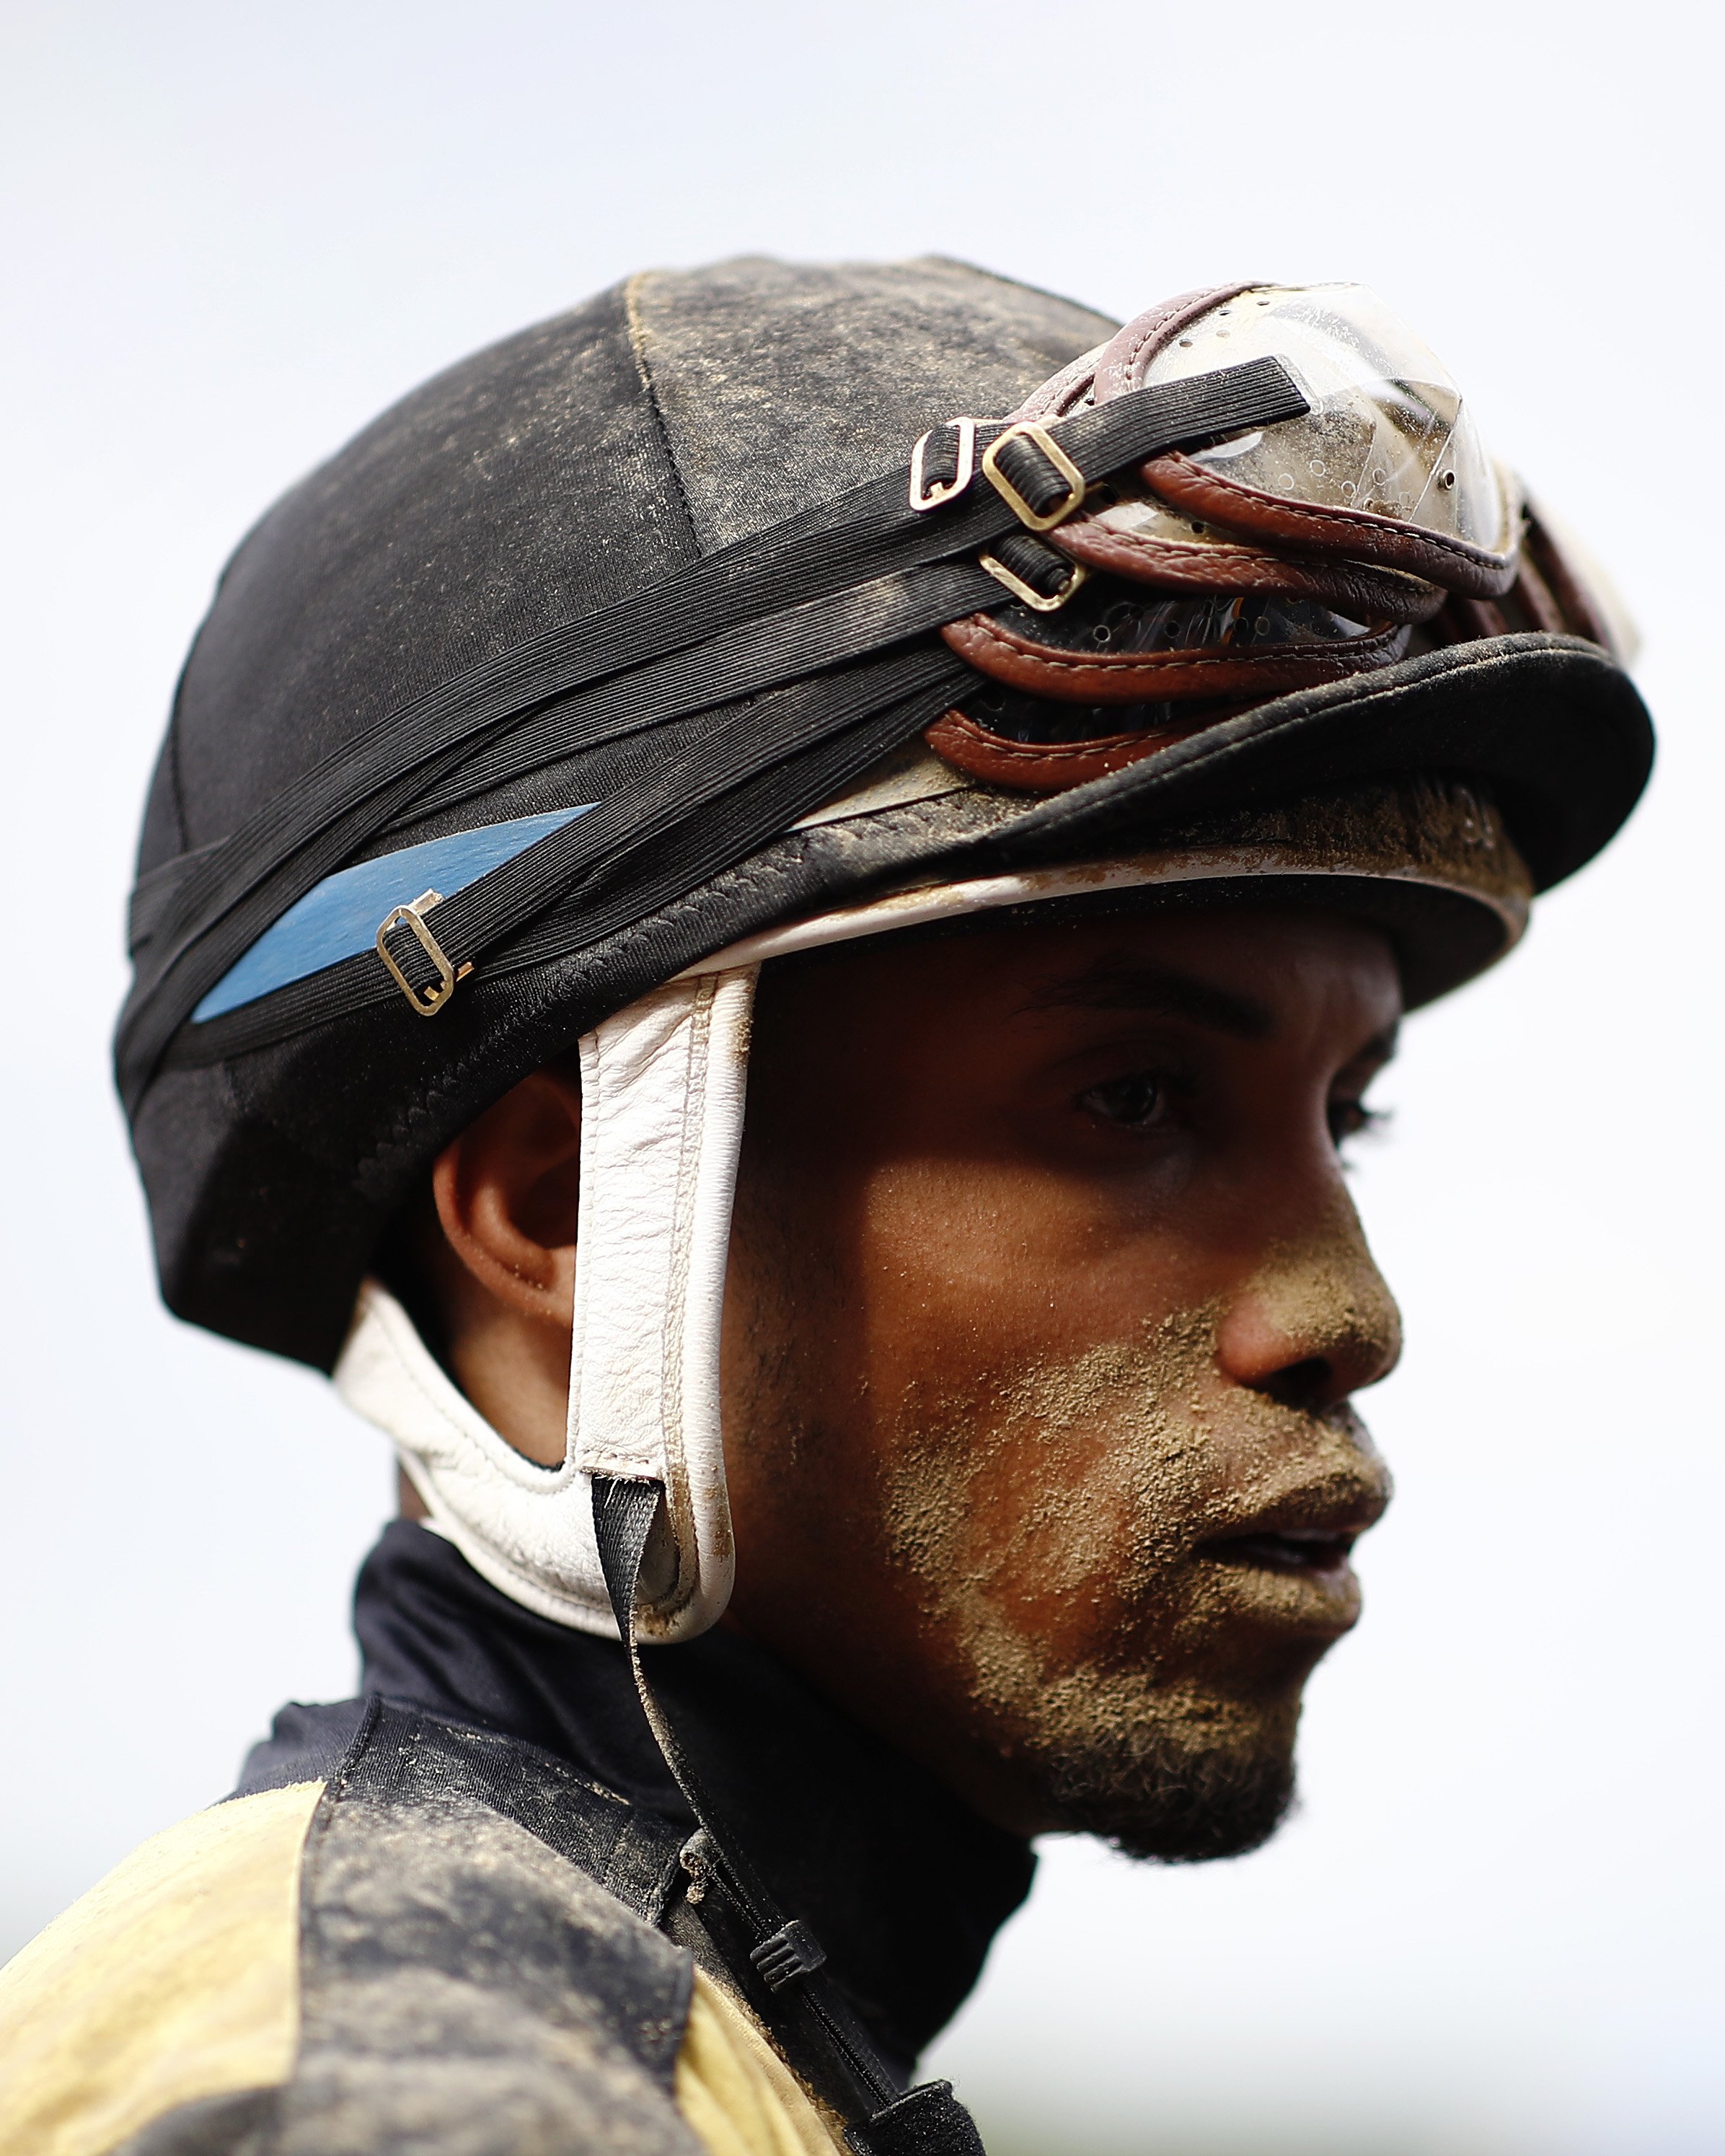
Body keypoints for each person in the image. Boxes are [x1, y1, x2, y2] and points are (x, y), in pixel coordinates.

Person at [0, 261, 1651, 2156]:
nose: (1346, 1309)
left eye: (1342, 1124)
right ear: (557, 1209)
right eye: (1134, 1099)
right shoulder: (419, 2088)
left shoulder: (692, 2040)